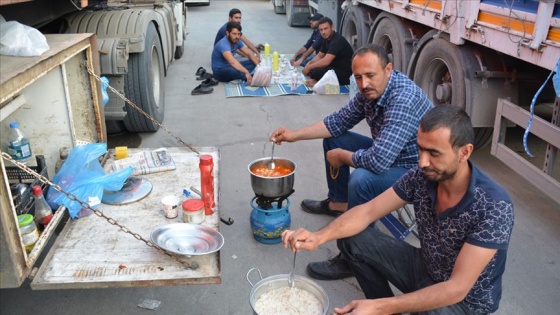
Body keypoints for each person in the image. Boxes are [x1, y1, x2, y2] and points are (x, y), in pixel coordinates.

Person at [282, 105, 515, 314]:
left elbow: (456, 289)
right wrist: (318, 236)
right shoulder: (422, 176)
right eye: (421, 149)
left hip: (464, 303)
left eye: (434, 153)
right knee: (351, 238)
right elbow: (367, 211)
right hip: (426, 267)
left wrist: (379, 307)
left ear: (464, 152)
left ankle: (380, 308)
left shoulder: (493, 206)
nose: (422, 161)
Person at [270, 44, 433, 280]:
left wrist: (343, 157)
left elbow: (378, 162)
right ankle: (339, 204)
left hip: (413, 170)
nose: (364, 83)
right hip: (389, 154)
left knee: (362, 179)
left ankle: (353, 256)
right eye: (358, 77)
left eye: (370, 75)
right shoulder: (370, 90)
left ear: (388, 69)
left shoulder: (402, 99)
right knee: (335, 138)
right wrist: (294, 134)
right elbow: (338, 121)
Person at [303, 16, 353, 87]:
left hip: (345, 73)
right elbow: (320, 56)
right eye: (321, 30)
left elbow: (326, 62)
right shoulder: (326, 39)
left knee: (317, 71)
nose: (323, 32)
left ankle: (317, 82)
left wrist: (310, 67)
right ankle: (318, 80)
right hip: (333, 68)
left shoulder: (337, 40)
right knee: (311, 68)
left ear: (332, 27)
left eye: (326, 29)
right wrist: (309, 64)